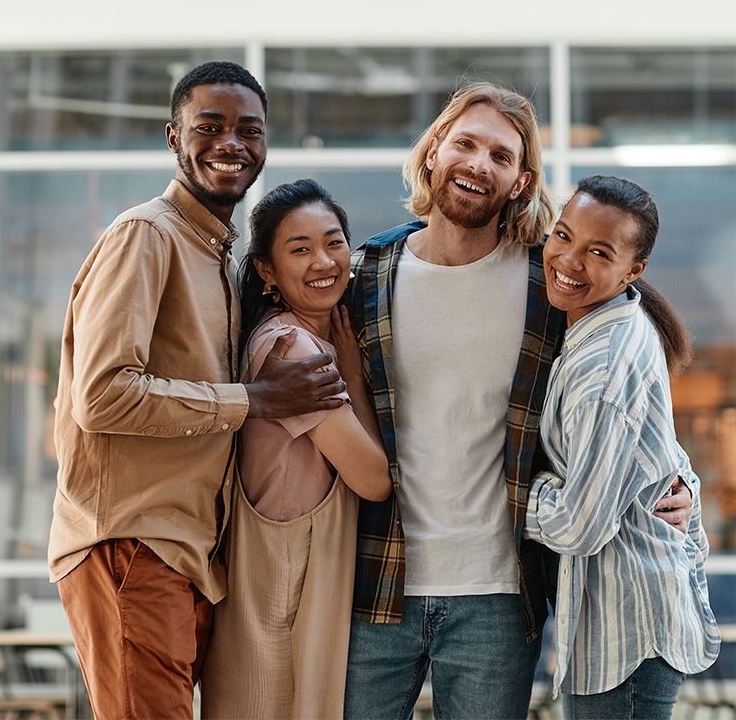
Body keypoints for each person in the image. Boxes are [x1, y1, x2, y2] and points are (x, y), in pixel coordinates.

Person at [342, 83, 693, 720]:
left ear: (521, 181)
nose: (479, 163)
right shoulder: (368, 273)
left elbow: (632, 390)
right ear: (433, 152)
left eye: (501, 156)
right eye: (466, 143)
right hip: (378, 583)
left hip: (500, 597)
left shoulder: (552, 282)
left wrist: (677, 482)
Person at [47, 63, 346, 720]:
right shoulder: (146, 236)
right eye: (209, 127)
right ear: (173, 136)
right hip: (132, 544)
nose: (231, 143)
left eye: (249, 129)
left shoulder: (217, 254)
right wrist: (256, 399)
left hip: (184, 558)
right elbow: (101, 396)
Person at [523, 175, 720, 719]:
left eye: (599, 252)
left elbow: (578, 525)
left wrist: (507, 487)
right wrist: (684, 488)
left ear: (634, 270)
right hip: (621, 627)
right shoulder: (608, 325)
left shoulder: (603, 363)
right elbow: (659, 455)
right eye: (563, 236)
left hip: (626, 634)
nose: (569, 259)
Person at [199, 179, 391, 720]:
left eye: (333, 243)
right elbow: (374, 479)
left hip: (277, 594)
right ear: (266, 270)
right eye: (299, 249)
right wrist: (352, 374)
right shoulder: (295, 350)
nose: (323, 261)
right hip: (280, 602)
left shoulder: (282, 336)